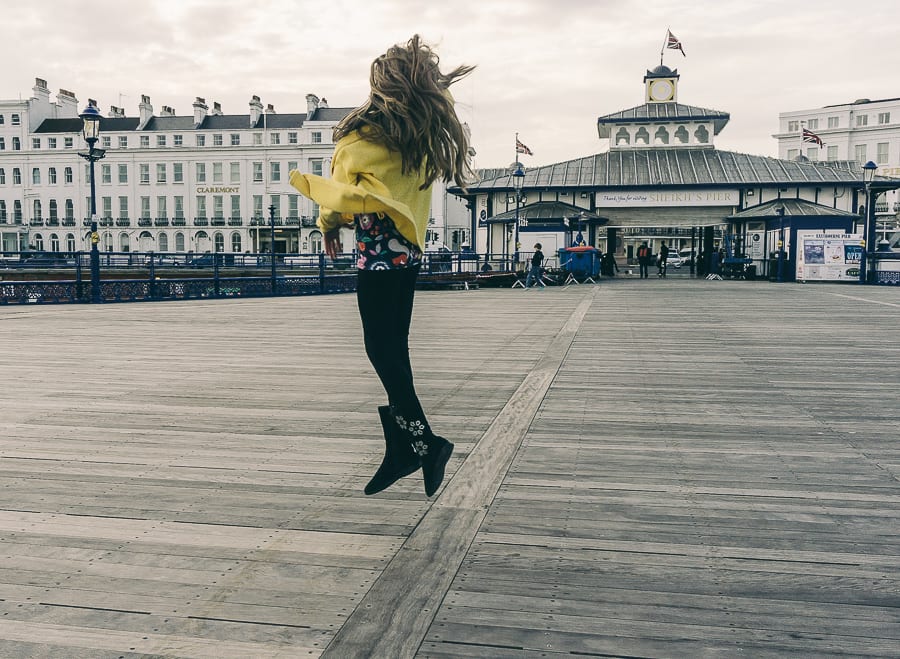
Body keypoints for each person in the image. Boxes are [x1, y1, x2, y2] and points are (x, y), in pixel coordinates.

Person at [289, 35, 473, 497]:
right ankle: (403, 445)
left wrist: (327, 224)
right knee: (395, 347)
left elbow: (338, 190)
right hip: (409, 250)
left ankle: (423, 444)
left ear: (381, 84)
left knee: (379, 346)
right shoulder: (424, 134)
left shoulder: (363, 133)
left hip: (376, 250)